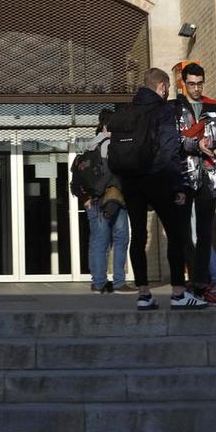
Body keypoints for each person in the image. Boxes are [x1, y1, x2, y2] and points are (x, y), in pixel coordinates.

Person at [113, 67, 205, 311]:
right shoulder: (163, 110)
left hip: (131, 182)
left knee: (138, 236)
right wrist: (177, 185)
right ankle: (178, 292)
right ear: (162, 87)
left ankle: (143, 294)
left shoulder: (128, 111)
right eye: (167, 89)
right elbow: (168, 150)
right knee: (175, 234)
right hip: (157, 178)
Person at [173, 62, 216, 306]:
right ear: (183, 84)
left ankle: (202, 285)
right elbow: (171, 140)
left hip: (208, 177)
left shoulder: (213, 106)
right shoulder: (175, 107)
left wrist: (212, 143)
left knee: (205, 232)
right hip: (184, 176)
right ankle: (193, 283)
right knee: (184, 232)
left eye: (199, 84)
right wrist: (194, 144)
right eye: (191, 84)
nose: (196, 88)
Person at [71, 108, 130, 294]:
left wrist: (86, 197)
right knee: (120, 238)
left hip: (92, 201)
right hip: (112, 198)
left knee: (98, 240)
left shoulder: (89, 146)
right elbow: (114, 172)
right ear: (106, 126)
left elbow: (78, 177)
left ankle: (98, 283)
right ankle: (119, 282)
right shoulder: (109, 145)